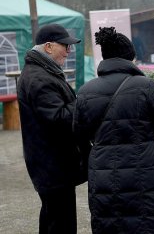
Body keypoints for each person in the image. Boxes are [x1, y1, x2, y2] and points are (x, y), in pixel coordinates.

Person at [73, 27, 154, 234]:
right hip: (145, 172)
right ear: (132, 58)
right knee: (149, 223)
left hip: (103, 173)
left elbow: (78, 132)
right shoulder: (147, 86)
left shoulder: (85, 91)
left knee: (111, 224)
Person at [17, 23, 88, 234]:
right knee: (61, 223)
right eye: (64, 46)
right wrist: (83, 101)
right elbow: (59, 118)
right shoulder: (39, 78)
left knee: (53, 218)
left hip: (51, 164)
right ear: (48, 47)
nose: (69, 50)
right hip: (52, 166)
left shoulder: (42, 72)